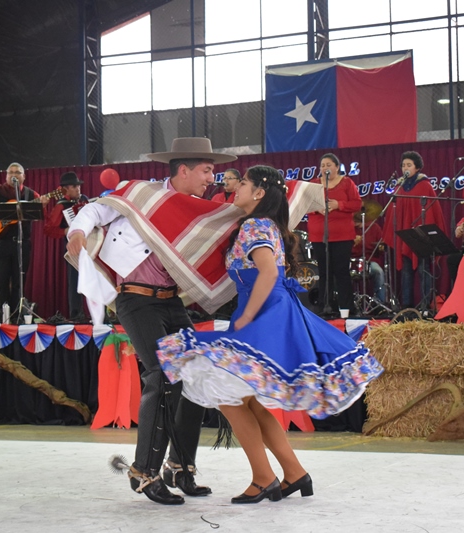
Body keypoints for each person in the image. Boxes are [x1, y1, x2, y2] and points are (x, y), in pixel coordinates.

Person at [156, 165, 383, 503]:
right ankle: (294, 473)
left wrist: (247, 316)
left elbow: (266, 273)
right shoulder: (262, 224)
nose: (235, 186)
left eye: (243, 183)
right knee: (248, 402)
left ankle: (264, 478)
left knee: (229, 396)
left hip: (264, 315)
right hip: (269, 312)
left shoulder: (254, 225)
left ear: (260, 193)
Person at [66, 137, 238, 505]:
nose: (212, 177)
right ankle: (143, 472)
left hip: (170, 301)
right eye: (207, 170)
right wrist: (77, 232)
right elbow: (95, 210)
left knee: (197, 374)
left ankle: (179, 467)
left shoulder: (199, 212)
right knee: (160, 377)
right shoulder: (140, 194)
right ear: (183, 170)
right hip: (135, 299)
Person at [0, 162, 50, 322]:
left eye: (17, 172)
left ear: (24, 176)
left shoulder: (31, 195)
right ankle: (3, 317)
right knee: (2, 280)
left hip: (23, 244)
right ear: (6, 176)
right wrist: (0, 207)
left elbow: (39, 215)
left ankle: (16, 317)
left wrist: (43, 205)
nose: (14, 175)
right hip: (2, 244)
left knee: (19, 281)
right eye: (11, 173)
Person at [382, 151, 446, 309]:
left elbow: (432, 211)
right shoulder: (399, 186)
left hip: (420, 236)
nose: (405, 168)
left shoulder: (424, 185)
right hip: (405, 237)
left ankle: (425, 305)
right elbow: (393, 212)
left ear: (417, 167)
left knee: (424, 270)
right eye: (403, 165)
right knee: (405, 271)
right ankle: (406, 306)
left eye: (409, 165)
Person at [307, 153, 361, 314]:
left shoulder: (346, 183)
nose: (325, 168)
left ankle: (346, 308)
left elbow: (357, 204)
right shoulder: (314, 185)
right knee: (324, 272)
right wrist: (317, 208)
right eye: (322, 165)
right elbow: (305, 204)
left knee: (341, 272)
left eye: (329, 165)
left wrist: (339, 204)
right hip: (319, 236)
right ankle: (325, 306)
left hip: (342, 236)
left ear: (337, 167)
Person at [44, 172, 90, 322]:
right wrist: (66, 230)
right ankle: (76, 314)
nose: (78, 189)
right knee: (75, 280)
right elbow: (49, 229)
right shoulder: (62, 206)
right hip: (72, 247)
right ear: (65, 189)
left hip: (90, 245)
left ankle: (96, 313)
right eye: (74, 186)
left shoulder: (84, 200)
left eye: (78, 186)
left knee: (92, 278)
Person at [352, 212, 387, 303]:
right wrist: (353, 242)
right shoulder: (349, 228)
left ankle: (380, 303)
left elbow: (382, 245)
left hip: (370, 260)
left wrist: (381, 247)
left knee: (378, 271)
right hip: (353, 261)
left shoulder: (374, 227)